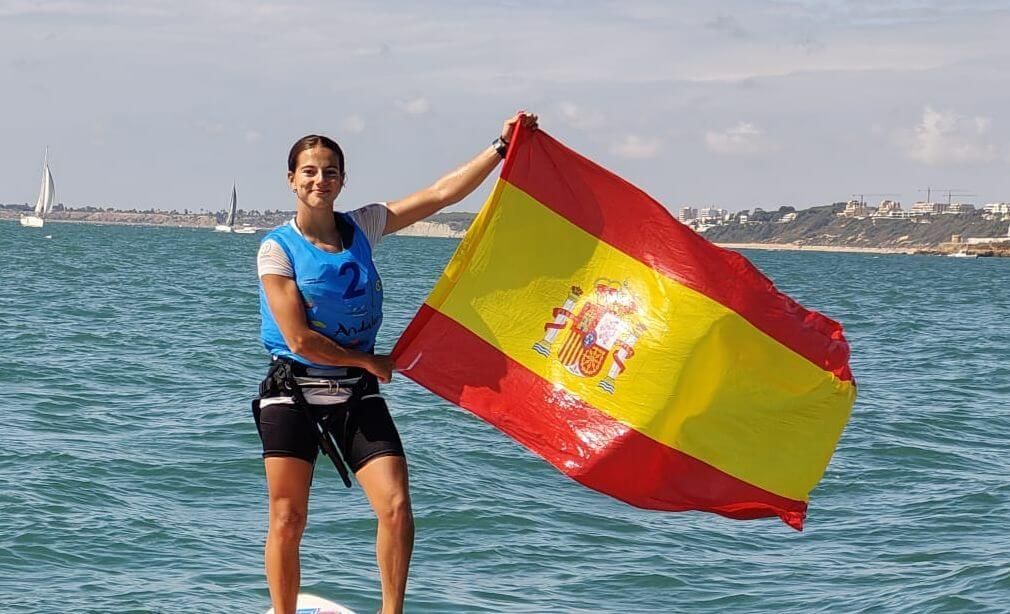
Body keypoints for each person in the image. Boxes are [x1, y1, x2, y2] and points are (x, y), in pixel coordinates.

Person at [253, 111, 539, 614]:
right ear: (291, 179)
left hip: (355, 391)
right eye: (309, 171)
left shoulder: (363, 225)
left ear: (343, 179)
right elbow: (299, 338)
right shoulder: (277, 250)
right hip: (293, 391)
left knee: (396, 506)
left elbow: (440, 195)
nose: (320, 180)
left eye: (330, 171)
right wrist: (367, 360)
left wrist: (500, 147)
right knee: (288, 517)